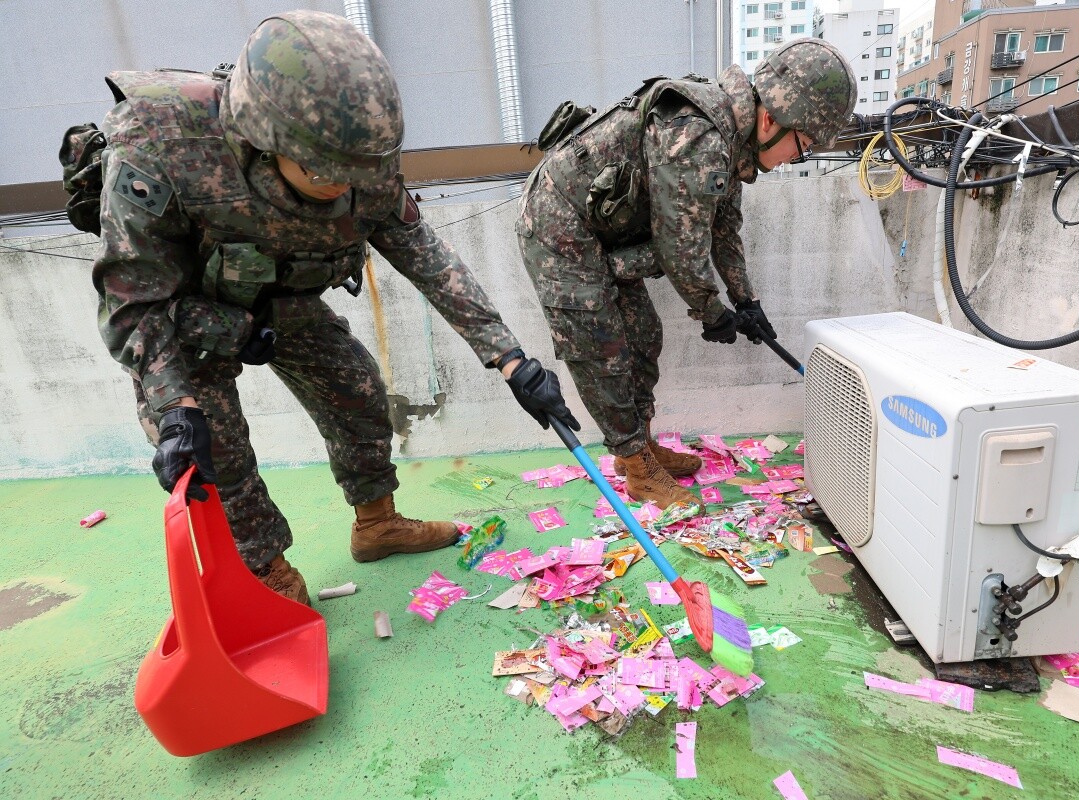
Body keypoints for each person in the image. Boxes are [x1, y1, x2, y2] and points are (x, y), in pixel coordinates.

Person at [91, 10, 576, 604]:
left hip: (277, 292)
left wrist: (511, 360)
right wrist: (174, 406)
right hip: (182, 314)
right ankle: (263, 572)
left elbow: (426, 257)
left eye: (355, 174)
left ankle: (376, 524)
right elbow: (131, 301)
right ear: (263, 138)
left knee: (357, 389)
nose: (341, 187)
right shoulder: (164, 144)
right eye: (324, 172)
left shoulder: (355, 158)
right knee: (211, 442)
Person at [514, 38, 857, 510]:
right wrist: (711, 313)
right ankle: (637, 467)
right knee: (603, 347)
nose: (793, 161)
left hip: (606, 232)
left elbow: (724, 229)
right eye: (803, 147)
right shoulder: (699, 135)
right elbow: (682, 249)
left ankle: (641, 446)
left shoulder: (731, 139)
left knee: (644, 335)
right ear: (772, 119)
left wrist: (746, 302)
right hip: (560, 227)